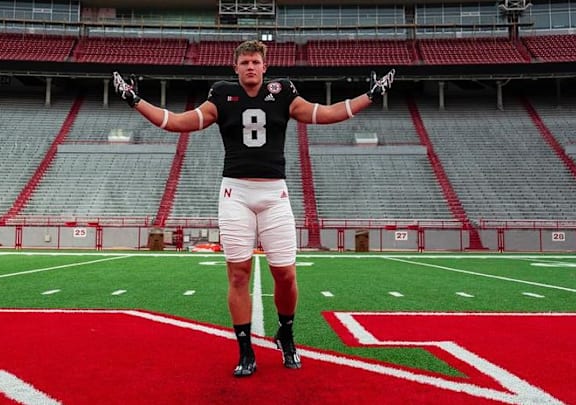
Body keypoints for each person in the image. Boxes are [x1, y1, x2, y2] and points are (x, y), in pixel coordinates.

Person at [113, 40, 394, 377]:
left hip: (275, 193)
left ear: (264, 66)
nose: (250, 67)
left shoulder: (283, 91)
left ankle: (285, 332)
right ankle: (245, 349)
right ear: (235, 67)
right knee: (238, 274)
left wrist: (370, 97)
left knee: (286, 274)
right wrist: (135, 101)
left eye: (255, 62)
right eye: (244, 61)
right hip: (236, 193)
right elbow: (176, 122)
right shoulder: (221, 94)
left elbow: (324, 113)